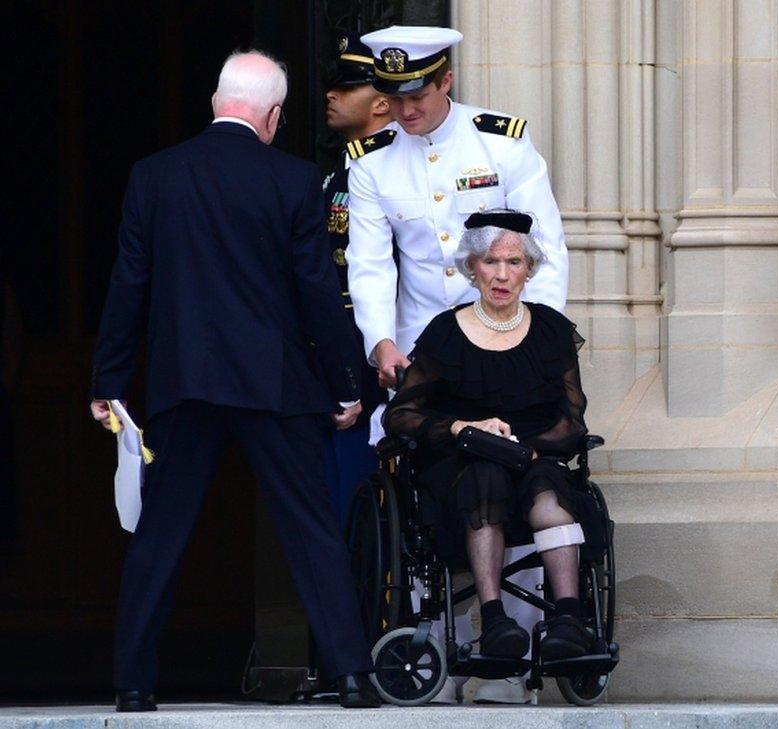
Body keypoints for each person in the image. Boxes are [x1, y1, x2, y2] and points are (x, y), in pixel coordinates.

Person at [89, 50, 380, 711]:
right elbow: (315, 292)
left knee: (159, 531)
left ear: (217, 101)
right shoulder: (295, 180)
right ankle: (353, 673)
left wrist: (108, 380)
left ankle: (133, 682)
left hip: (182, 381)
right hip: (275, 383)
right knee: (310, 527)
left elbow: (128, 283)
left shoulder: (154, 175)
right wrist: (344, 384)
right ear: (273, 114)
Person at [347, 24, 568, 703]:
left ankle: (518, 657)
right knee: (427, 487)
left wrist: (541, 345)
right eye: (392, 97)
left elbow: (545, 246)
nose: (404, 112)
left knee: (524, 476)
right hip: (430, 360)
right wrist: (380, 341)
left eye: (416, 95)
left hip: (507, 344)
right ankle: (436, 654)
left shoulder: (500, 143)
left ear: (445, 81)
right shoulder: (374, 161)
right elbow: (370, 264)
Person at [383, 210, 591, 661]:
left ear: (529, 271)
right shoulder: (446, 333)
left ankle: (569, 619)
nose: (501, 275)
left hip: (533, 458)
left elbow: (572, 419)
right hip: (462, 466)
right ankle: (495, 620)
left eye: (514, 263)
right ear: (471, 268)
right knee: (485, 480)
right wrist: (461, 427)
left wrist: (529, 450)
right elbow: (400, 416)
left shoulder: (551, 331)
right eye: (489, 262)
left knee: (549, 491)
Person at [321, 34, 394, 523]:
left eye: (348, 87)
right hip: (341, 354)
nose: (331, 94)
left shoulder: (392, 172)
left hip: (382, 357)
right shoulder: (336, 177)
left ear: (382, 101)